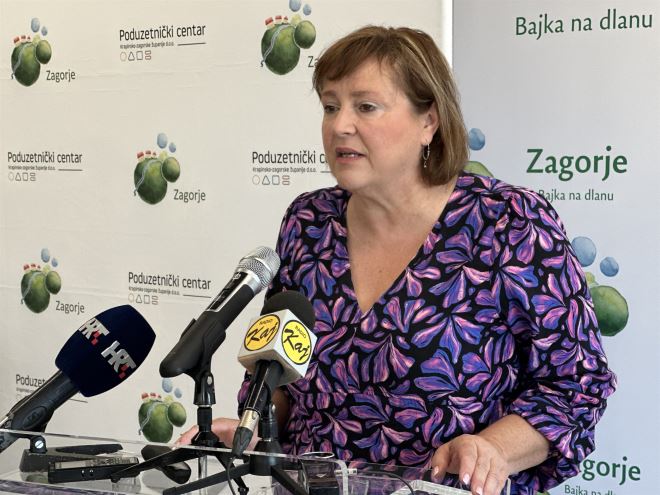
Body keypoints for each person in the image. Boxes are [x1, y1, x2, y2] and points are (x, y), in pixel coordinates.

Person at [179, 26, 616, 495]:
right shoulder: (309, 221)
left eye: (365, 106)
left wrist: (492, 449)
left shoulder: (508, 222)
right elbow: (280, 373)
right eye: (330, 106)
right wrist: (252, 429)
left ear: (429, 121)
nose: (340, 125)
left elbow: (576, 385)